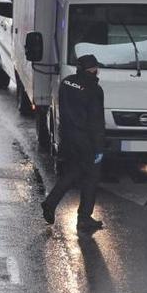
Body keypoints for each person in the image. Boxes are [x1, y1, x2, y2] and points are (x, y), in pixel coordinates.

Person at [41, 54, 106, 232]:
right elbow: (96, 121)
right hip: (86, 141)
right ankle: (84, 217)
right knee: (91, 177)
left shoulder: (67, 83)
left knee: (72, 173)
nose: (96, 71)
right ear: (91, 69)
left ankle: (50, 202)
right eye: (94, 68)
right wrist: (99, 147)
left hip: (67, 138)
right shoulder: (94, 89)